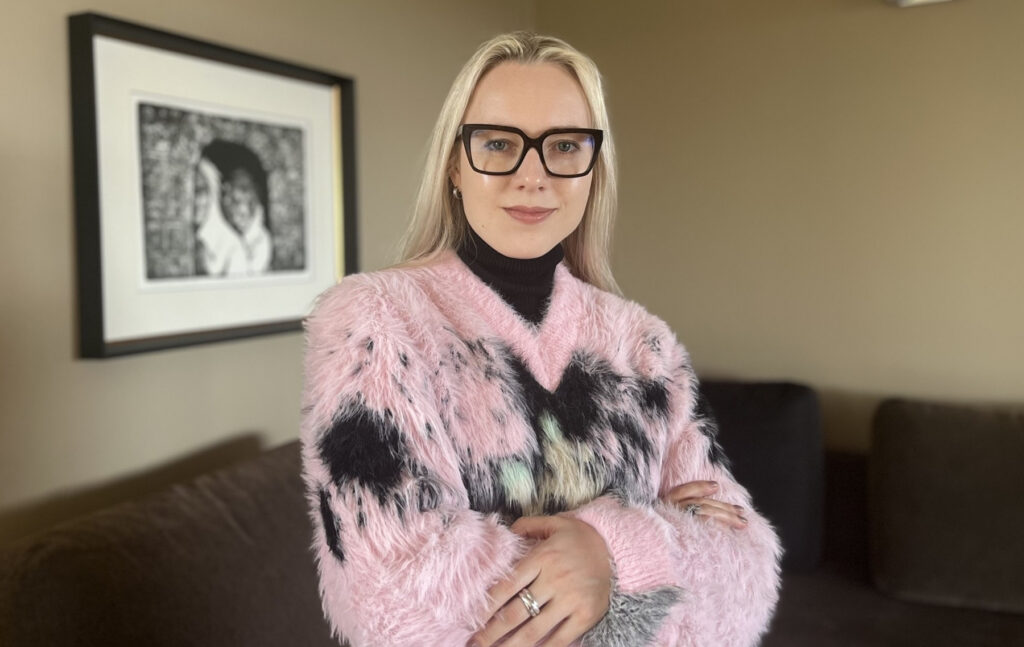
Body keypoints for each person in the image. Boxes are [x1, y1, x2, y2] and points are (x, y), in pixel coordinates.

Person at [300, 32, 781, 647]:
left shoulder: (643, 345)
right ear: (455, 164)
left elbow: (746, 576)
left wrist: (613, 551)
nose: (533, 176)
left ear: (593, 169)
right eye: (499, 144)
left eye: (565, 146)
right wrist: (658, 545)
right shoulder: (376, 321)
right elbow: (399, 602)